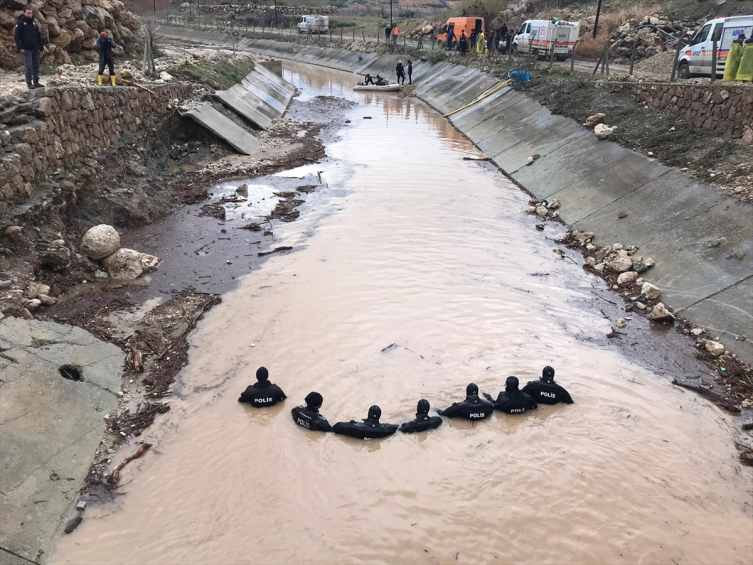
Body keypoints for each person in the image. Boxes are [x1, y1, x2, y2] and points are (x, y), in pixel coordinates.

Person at [14, 6, 44, 90]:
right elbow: (16, 37)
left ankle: (36, 82)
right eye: (28, 13)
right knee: (29, 66)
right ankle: (29, 83)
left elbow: (38, 36)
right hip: (26, 49)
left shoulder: (33, 23)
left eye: (31, 13)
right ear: (24, 13)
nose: (30, 15)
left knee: (36, 65)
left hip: (35, 48)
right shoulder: (20, 23)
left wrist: (41, 47)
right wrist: (20, 48)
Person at [333, 405, 398, 440]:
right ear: (379, 416)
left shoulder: (356, 427)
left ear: (368, 414)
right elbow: (400, 428)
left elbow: (337, 427)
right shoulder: (386, 429)